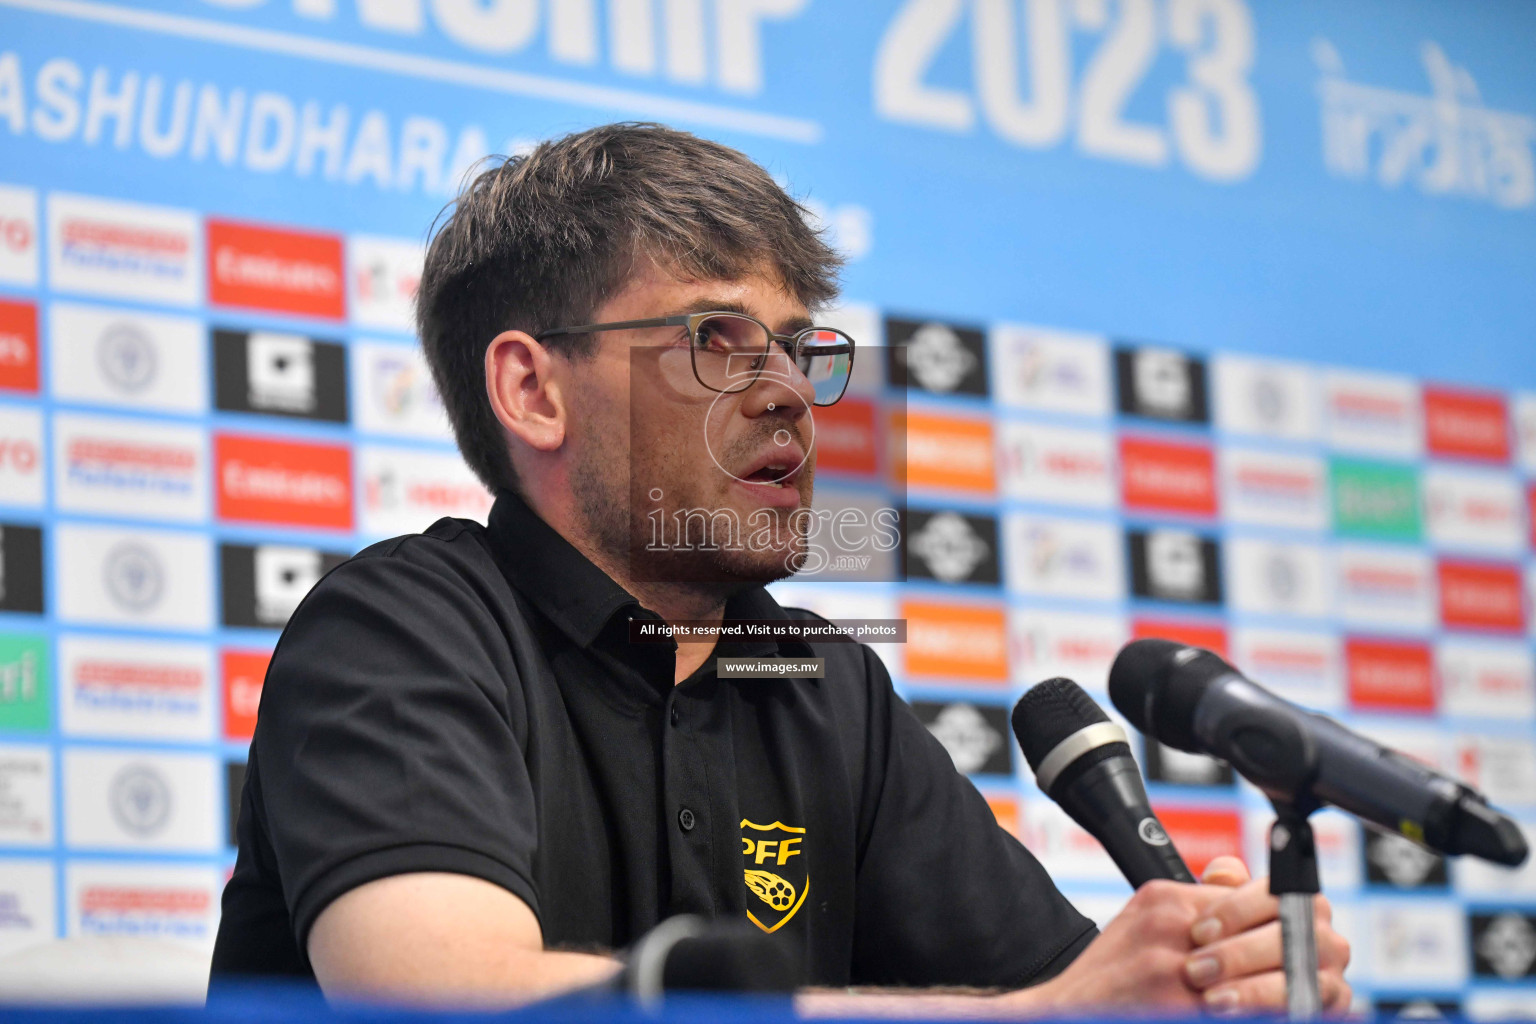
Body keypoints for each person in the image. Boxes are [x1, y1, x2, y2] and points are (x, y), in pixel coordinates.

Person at [209, 122, 1350, 1014]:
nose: (788, 393)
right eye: (716, 339)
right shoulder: (399, 629)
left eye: (799, 348)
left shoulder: (821, 683)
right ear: (532, 391)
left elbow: (1058, 989)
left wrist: (1207, 986)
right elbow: (439, 997)